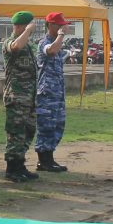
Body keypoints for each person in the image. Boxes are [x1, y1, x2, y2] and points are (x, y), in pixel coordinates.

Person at [2, 10, 40, 182]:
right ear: (19, 26)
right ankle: (12, 167)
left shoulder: (28, 43)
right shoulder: (9, 42)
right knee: (16, 132)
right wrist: (27, 31)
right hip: (16, 96)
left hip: (29, 96)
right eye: (27, 25)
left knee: (29, 130)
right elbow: (16, 47)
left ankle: (20, 163)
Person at [35, 11, 71, 172]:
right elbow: (51, 51)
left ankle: (49, 158)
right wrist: (61, 36)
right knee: (46, 126)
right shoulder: (45, 42)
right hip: (47, 92)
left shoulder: (57, 42)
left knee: (58, 125)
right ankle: (43, 161)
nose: (63, 28)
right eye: (60, 25)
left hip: (57, 92)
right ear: (51, 25)